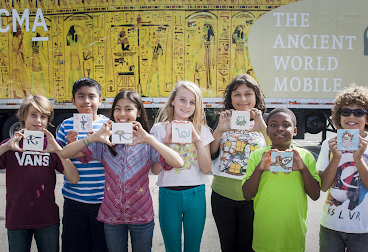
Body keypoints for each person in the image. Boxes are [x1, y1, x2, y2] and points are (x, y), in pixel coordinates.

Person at [58, 90, 184, 252]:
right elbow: (65, 153)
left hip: (141, 215)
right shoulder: (105, 142)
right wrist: (94, 137)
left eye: (128, 109)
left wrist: (150, 139)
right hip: (111, 216)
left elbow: (178, 162)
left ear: (139, 112)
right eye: (117, 108)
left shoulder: (147, 143)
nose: (122, 113)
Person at [0, 95, 80, 252]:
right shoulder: (11, 145)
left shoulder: (51, 146)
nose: (38, 120)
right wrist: (4, 148)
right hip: (17, 219)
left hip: (47, 219)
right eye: (33, 115)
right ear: (24, 116)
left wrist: (58, 150)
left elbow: (74, 178)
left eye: (43, 116)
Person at [317, 84, 368, 252]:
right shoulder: (329, 145)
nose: (352, 116)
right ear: (339, 116)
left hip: (361, 228)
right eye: (346, 112)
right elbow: (322, 186)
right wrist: (336, 157)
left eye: (359, 112)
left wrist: (358, 158)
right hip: (331, 225)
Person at [242, 108, 321, 252]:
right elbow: (247, 195)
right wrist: (260, 168)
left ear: (295, 130)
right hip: (264, 235)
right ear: (267, 130)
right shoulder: (257, 156)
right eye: (273, 125)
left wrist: (302, 168)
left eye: (286, 125)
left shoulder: (305, 156)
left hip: (294, 235)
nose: (279, 128)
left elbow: (315, 195)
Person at [150, 81, 213, 252]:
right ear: (173, 101)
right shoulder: (158, 129)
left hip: (196, 194)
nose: (187, 106)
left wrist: (197, 140)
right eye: (182, 100)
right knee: (172, 248)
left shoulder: (202, 130)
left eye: (192, 102)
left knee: (193, 248)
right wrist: (166, 143)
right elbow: (155, 170)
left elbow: (206, 169)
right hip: (168, 195)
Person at [210, 74, 270, 252]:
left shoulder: (265, 123)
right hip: (222, 197)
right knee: (228, 247)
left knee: (248, 247)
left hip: (253, 198)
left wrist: (262, 127)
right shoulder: (223, 121)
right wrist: (220, 130)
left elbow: (277, 155)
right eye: (237, 94)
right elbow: (212, 153)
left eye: (248, 93)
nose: (242, 99)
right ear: (230, 98)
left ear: (256, 97)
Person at [56, 77, 109, 252]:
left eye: (91, 96)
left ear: (100, 100)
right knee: (74, 246)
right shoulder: (66, 125)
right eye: (81, 96)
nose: (86, 101)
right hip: (74, 200)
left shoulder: (108, 126)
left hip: (103, 201)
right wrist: (67, 145)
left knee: (102, 246)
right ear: (73, 101)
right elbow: (60, 158)